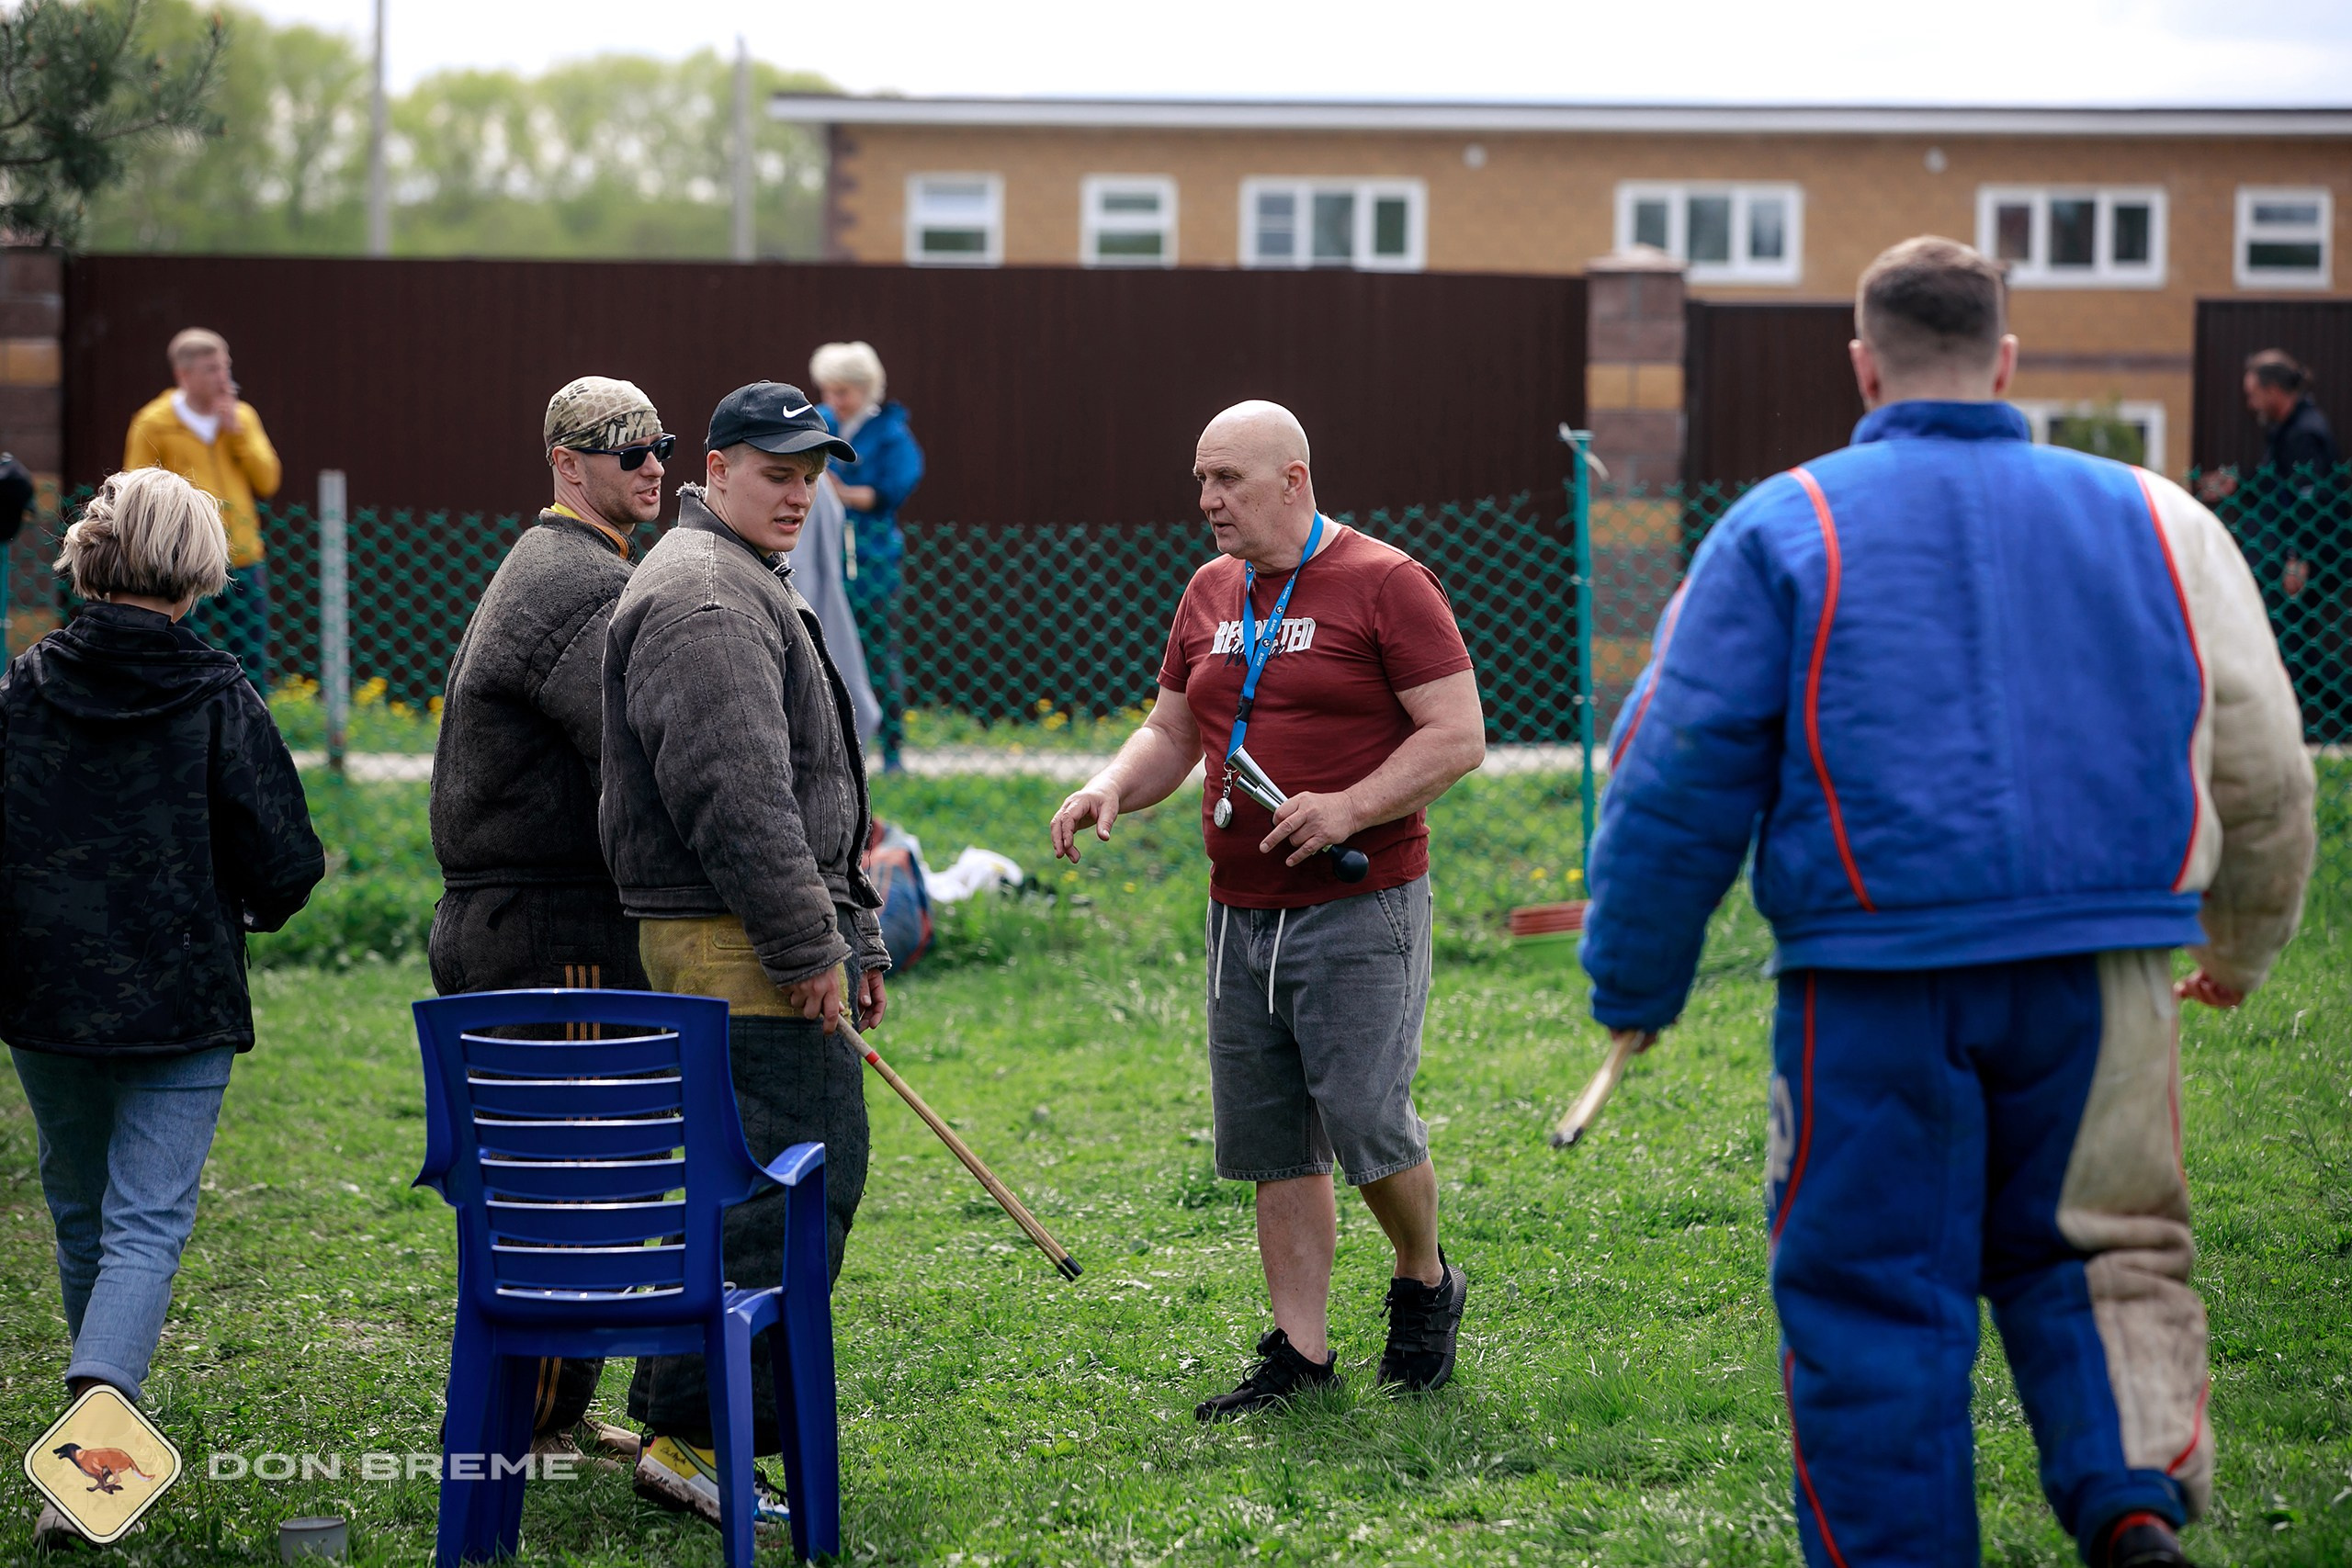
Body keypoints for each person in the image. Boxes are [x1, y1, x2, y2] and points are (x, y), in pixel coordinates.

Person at [1578, 237, 2315, 1568]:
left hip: (1869, 984)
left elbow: (1673, 769)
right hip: (2105, 976)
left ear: (1863, 366)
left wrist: (1634, 984)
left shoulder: (1783, 524)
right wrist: (2241, 938)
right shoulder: (2164, 522)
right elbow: (2264, 764)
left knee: (1871, 1295)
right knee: (2103, 1250)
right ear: (2008, 358)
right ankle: (2131, 1496)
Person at [1049, 400, 1487, 1418]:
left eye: (1226, 481)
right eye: (1199, 480)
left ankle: (1424, 1280)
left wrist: (1349, 805)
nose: (1206, 501)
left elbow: (1456, 735)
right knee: (1274, 1141)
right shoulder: (1210, 590)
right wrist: (1113, 783)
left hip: (1357, 899)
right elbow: (1171, 729)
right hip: (1240, 910)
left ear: (1292, 478)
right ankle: (1302, 1354)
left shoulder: (1387, 583)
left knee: (1367, 1118)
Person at [2, 467, 322, 1550]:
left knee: (84, 1214)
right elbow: (284, 859)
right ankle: (93, 1448)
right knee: (144, 1226)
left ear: (91, 554)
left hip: (43, 998)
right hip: (177, 999)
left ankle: (87, 1447)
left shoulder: (25, 685)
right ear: (198, 565)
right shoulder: (218, 693)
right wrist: (251, 900)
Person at [600, 381, 888, 1530]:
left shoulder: (728, 578)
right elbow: (737, 798)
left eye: (813, 474)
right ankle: (700, 1440)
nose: (799, 494)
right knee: (787, 1197)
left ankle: (685, 1424)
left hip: (748, 943)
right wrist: (804, 945)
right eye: (776, 472)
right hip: (736, 953)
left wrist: (846, 932)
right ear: (712, 469)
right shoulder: (708, 595)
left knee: (756, 1194)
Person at [427, 375, 670, 1447]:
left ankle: (556, 1414)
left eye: (659, 443)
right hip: (548, 935)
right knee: (570, 1183)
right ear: (566, 465)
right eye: (624, 449)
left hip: (540, 924)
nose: (651, 463)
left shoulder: (575, 562)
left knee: (583, 1176)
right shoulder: (578, 583)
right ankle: (526, 1424)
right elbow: (648, 759)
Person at [122, 329, 281, 691]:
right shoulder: (154, 422)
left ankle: (250, 726)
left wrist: (236, 432)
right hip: (184, 560)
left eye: (225, 367)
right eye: (211, 369)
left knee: (251, 654)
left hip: (241, 556)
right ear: (184, 375)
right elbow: (136, 487)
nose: (223, 377)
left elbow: (268, 480)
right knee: (184, 649)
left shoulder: (242, 417)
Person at [2200, 352, 2346, 740]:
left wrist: (2297, 558)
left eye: (2253, 394)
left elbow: (2309, 504)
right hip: (2296, 556)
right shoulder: (2285, 431)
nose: (2250, 404)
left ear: (2274, 390)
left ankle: (2299, 728)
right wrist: (2237, 482)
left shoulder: (2304, 435)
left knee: (2291, 644)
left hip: (2311, 559)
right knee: (2291, 643)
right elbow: (2274, 486)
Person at [810, 341, 924, 771]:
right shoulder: (820, 421)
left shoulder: (891, 433)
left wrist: (840, 493)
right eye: (829, 390)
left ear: (866, 388)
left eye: (843, 391)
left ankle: (891, 749)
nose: (835, 400)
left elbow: (890, 490)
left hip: (872, 560)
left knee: (878, 652)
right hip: (823, 553)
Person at [785, 464, 883, 743]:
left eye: (810, 479)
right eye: (778, 477)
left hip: (863, 581)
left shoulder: (821, 493)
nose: (800, 496)